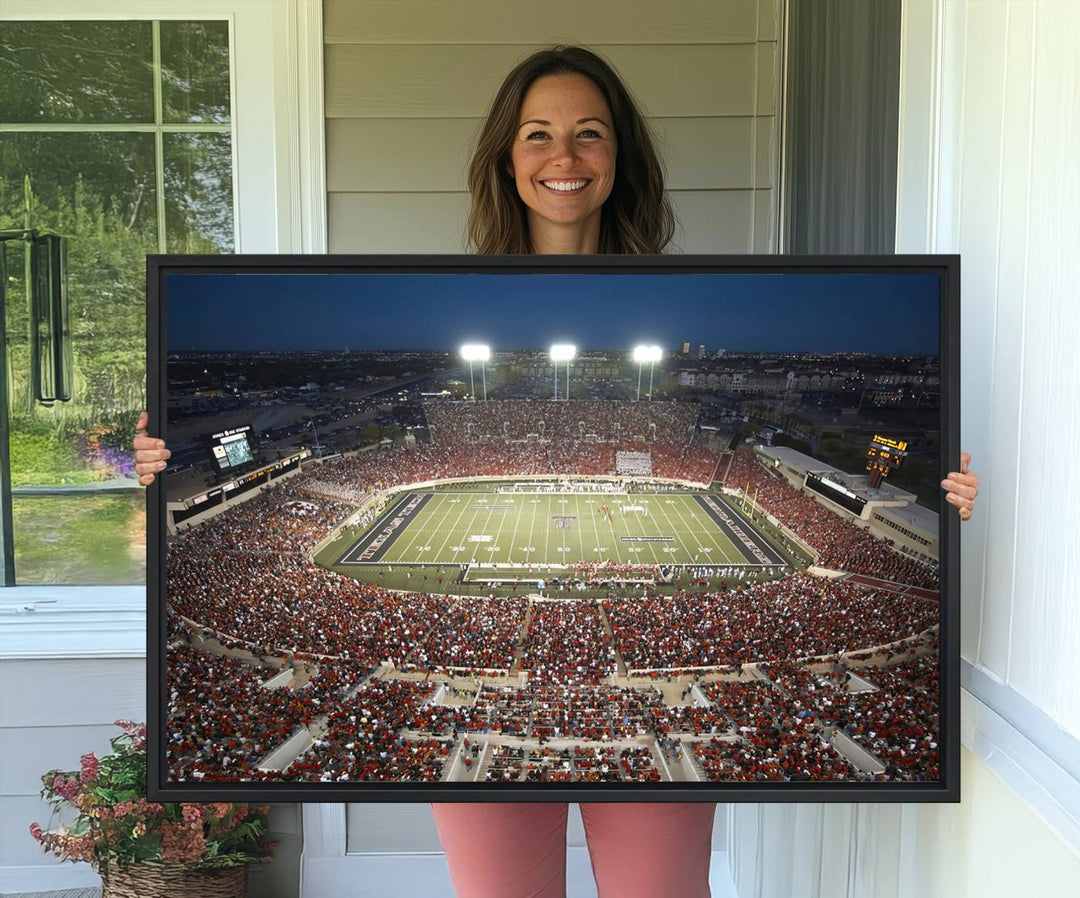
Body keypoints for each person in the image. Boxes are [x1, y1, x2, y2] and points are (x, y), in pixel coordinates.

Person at [134, 45, 979, 898]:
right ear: (507, 155)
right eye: (537, 134)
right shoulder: (455, 290)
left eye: (589, 134)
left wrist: (939, 496)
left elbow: (912, 480)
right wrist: (159, 461)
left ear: (621, 157)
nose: (564, 157)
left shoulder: (676, 294)